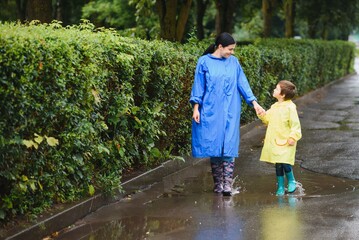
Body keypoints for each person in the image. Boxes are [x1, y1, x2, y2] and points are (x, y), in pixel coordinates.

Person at [190, 32, 264, 196]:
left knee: (229, 144)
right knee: (215, 146)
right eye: (230, 49)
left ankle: (227, 186)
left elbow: (242, 83)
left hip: (231, 109)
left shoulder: (234, 62)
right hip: (211, 109)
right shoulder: (204, 62)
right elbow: (198, 86)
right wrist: (196, 108)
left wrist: (254, 103)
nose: (232, 52)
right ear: (220, 47)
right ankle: (218, 185)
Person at [257, 80, 302, 196]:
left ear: (282, 95)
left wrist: (293, 136)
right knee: (278, 164)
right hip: (276, 141)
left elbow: (295, 124)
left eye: (276, 89)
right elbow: (268, 119)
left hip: (287, 141)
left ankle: (291, 180)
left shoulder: (290, 108)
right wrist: (262, 114)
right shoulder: (274, 106)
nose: (274, 90)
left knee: (285, 162)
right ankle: (281, 186)